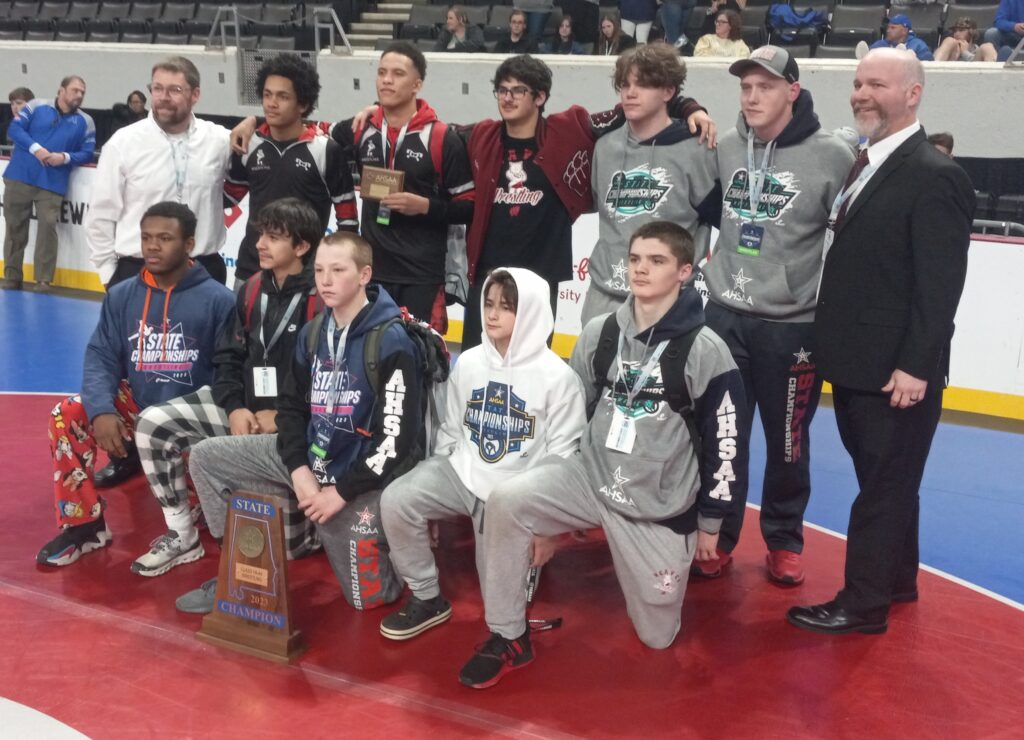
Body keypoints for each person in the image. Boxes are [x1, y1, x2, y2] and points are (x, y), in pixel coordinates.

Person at [456, 221, 747, 689]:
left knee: (657, 637)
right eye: (634, 259)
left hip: (657, 505)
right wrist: (549, 518)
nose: (641, 269)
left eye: (656, 261)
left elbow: (728, 446)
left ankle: (659, 566)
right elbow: (569, 418)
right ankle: (508, 634)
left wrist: (713, 522)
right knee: (507, 500)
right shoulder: (600, 332)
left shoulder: (705, 350)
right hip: (592, 478)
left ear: (685, 271)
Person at [788, 49, 974, 635]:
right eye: (857, 83)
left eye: (877, 85)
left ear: (913, 94)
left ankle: (862, 604)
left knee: (882, 489)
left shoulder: (936, 175)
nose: (861, 94)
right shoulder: (865, 162)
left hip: (897, 372)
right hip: (859, 364)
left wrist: (917, 366)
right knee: (888, 481)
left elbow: (940, 286)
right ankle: (897, 580)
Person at [175, 232, 423, 614]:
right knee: (207, 458)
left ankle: (382, 531)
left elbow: (393, 442)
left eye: (338, 270)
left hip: (358, 477)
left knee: (370, 598)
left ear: (364, 275)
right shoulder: (312, 334)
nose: (325, 280)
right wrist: (299, 471)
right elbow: (290, 410)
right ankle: (239, 561)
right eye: (320, 270)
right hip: (312, 460)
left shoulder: (391, 342)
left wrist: (339, 493)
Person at [696, 46, 854, 583]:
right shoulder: (726, 146)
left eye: (765, 86)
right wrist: (692, 105)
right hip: (724, 315)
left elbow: (855, 239)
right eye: (745, 88)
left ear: (792, 89)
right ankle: (719, 536)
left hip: (792, 325)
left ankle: (784, 540)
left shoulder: (831, 154)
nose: (753, 97)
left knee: (788, 440)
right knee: (723, 436)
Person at [378, 267, 587, 641]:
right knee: (398, 499)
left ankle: (516, 595)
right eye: (489, 304)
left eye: (506, 307)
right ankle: (427, 597)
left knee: (500, 607)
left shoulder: (559, 378)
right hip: (463, 473)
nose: (492, 314)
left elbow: (564, 459)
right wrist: (432, 494)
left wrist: (547, 526)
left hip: (516, 496)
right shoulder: (470, 362)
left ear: (532, 313)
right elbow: (452, 431)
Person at [459, 53, 714, 351]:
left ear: (540, 97)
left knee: (535, 371)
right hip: (491, 274)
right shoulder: (481, 136)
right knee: (475, 363)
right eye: (502, 90)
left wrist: (690, 107)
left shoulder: (568, 131)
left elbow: (635, 107)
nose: (508, 97)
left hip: (542, 277)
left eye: (518, 90)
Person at [130, 198, 324, 578]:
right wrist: (235, 407)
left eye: (274, 237)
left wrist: (285, 416)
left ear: (301, 247)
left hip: (298, 428)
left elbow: (330, 384)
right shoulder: (251, 289)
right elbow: (228, 359)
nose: (260, 245)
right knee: (152, 423)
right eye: (260, 235)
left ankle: (308, 520)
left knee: (285, 551)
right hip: (246, 414)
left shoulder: (322, 300)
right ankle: (182, 533)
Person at [36, 202, 235, 567]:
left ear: (189, 244)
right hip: (140, 407)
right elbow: (100, 356)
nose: (153, 247)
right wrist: (101, 410)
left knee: (203, 513)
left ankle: (193, 504)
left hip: (191, 424)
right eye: (146, 238)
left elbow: (229, 377)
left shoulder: (219, 301)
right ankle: (84, 526)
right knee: (68, 413)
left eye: (165, 238)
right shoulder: (122, 295)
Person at [233, 42, 474, 333]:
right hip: (371, 271)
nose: (386, 79)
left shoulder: (441, 138)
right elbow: (296, 126)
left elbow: (469, 208)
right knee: (368, 358)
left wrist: (424, 206)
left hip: (421, 274)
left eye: (398, 74)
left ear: (417, 85)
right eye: (382, 72)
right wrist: (252, 121)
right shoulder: (359, 128)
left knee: (421, 359)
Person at [582, 42, 719, 325]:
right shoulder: (604, 146)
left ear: (668, 91)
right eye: (624, 84)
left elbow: (722, 221)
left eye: (643, 84)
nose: (630, 93)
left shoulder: (696, 150)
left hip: (667, 301)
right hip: (602, 298)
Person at [86, 56, 233, 290]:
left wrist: (248, 126)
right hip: (139, 270)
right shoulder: (123, 143)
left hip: (203, 270)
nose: (163, 97)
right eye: (157, 88)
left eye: (174, 90)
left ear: (195, 95)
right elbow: (101, 214)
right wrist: (108, 275)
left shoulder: (220, 140)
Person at [224, 53, 358, 286]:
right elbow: (228, 199)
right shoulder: (248, 144)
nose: (271, 103)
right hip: (250, 271)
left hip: (307, 277)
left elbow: (348, 222)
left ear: (303, 104)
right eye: (267, 95)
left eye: (282, 96)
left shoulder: (325, 150)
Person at [2, 76, 94, 292]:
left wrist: (64, 157)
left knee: (47, 227)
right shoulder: (35, 106)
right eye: (75, 90)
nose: (79, 95)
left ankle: (43, 279)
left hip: (53, 181)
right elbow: (14, 131)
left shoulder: (86, 121)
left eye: (82, 92)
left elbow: (87, 152)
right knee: (15, 227)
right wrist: (37, 149)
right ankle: (12, 275)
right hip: (20, 175)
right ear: (61, 90)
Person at [867, 15, 934, 62]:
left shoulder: (918, 45)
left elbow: (928, 63)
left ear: (904, 31)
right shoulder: (882, 44)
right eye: (888, 27)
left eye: (893, 28)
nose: (888, 30)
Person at [934, 17, 998, 62]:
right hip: (948, 76)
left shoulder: (978, 51)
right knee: (949, 41)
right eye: (955, 31)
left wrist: (965, 53)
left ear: (972, 32)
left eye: (961, 30)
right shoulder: (950, 44)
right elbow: (934, 56)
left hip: (976, 77)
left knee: (987, 47)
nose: (957, 34)